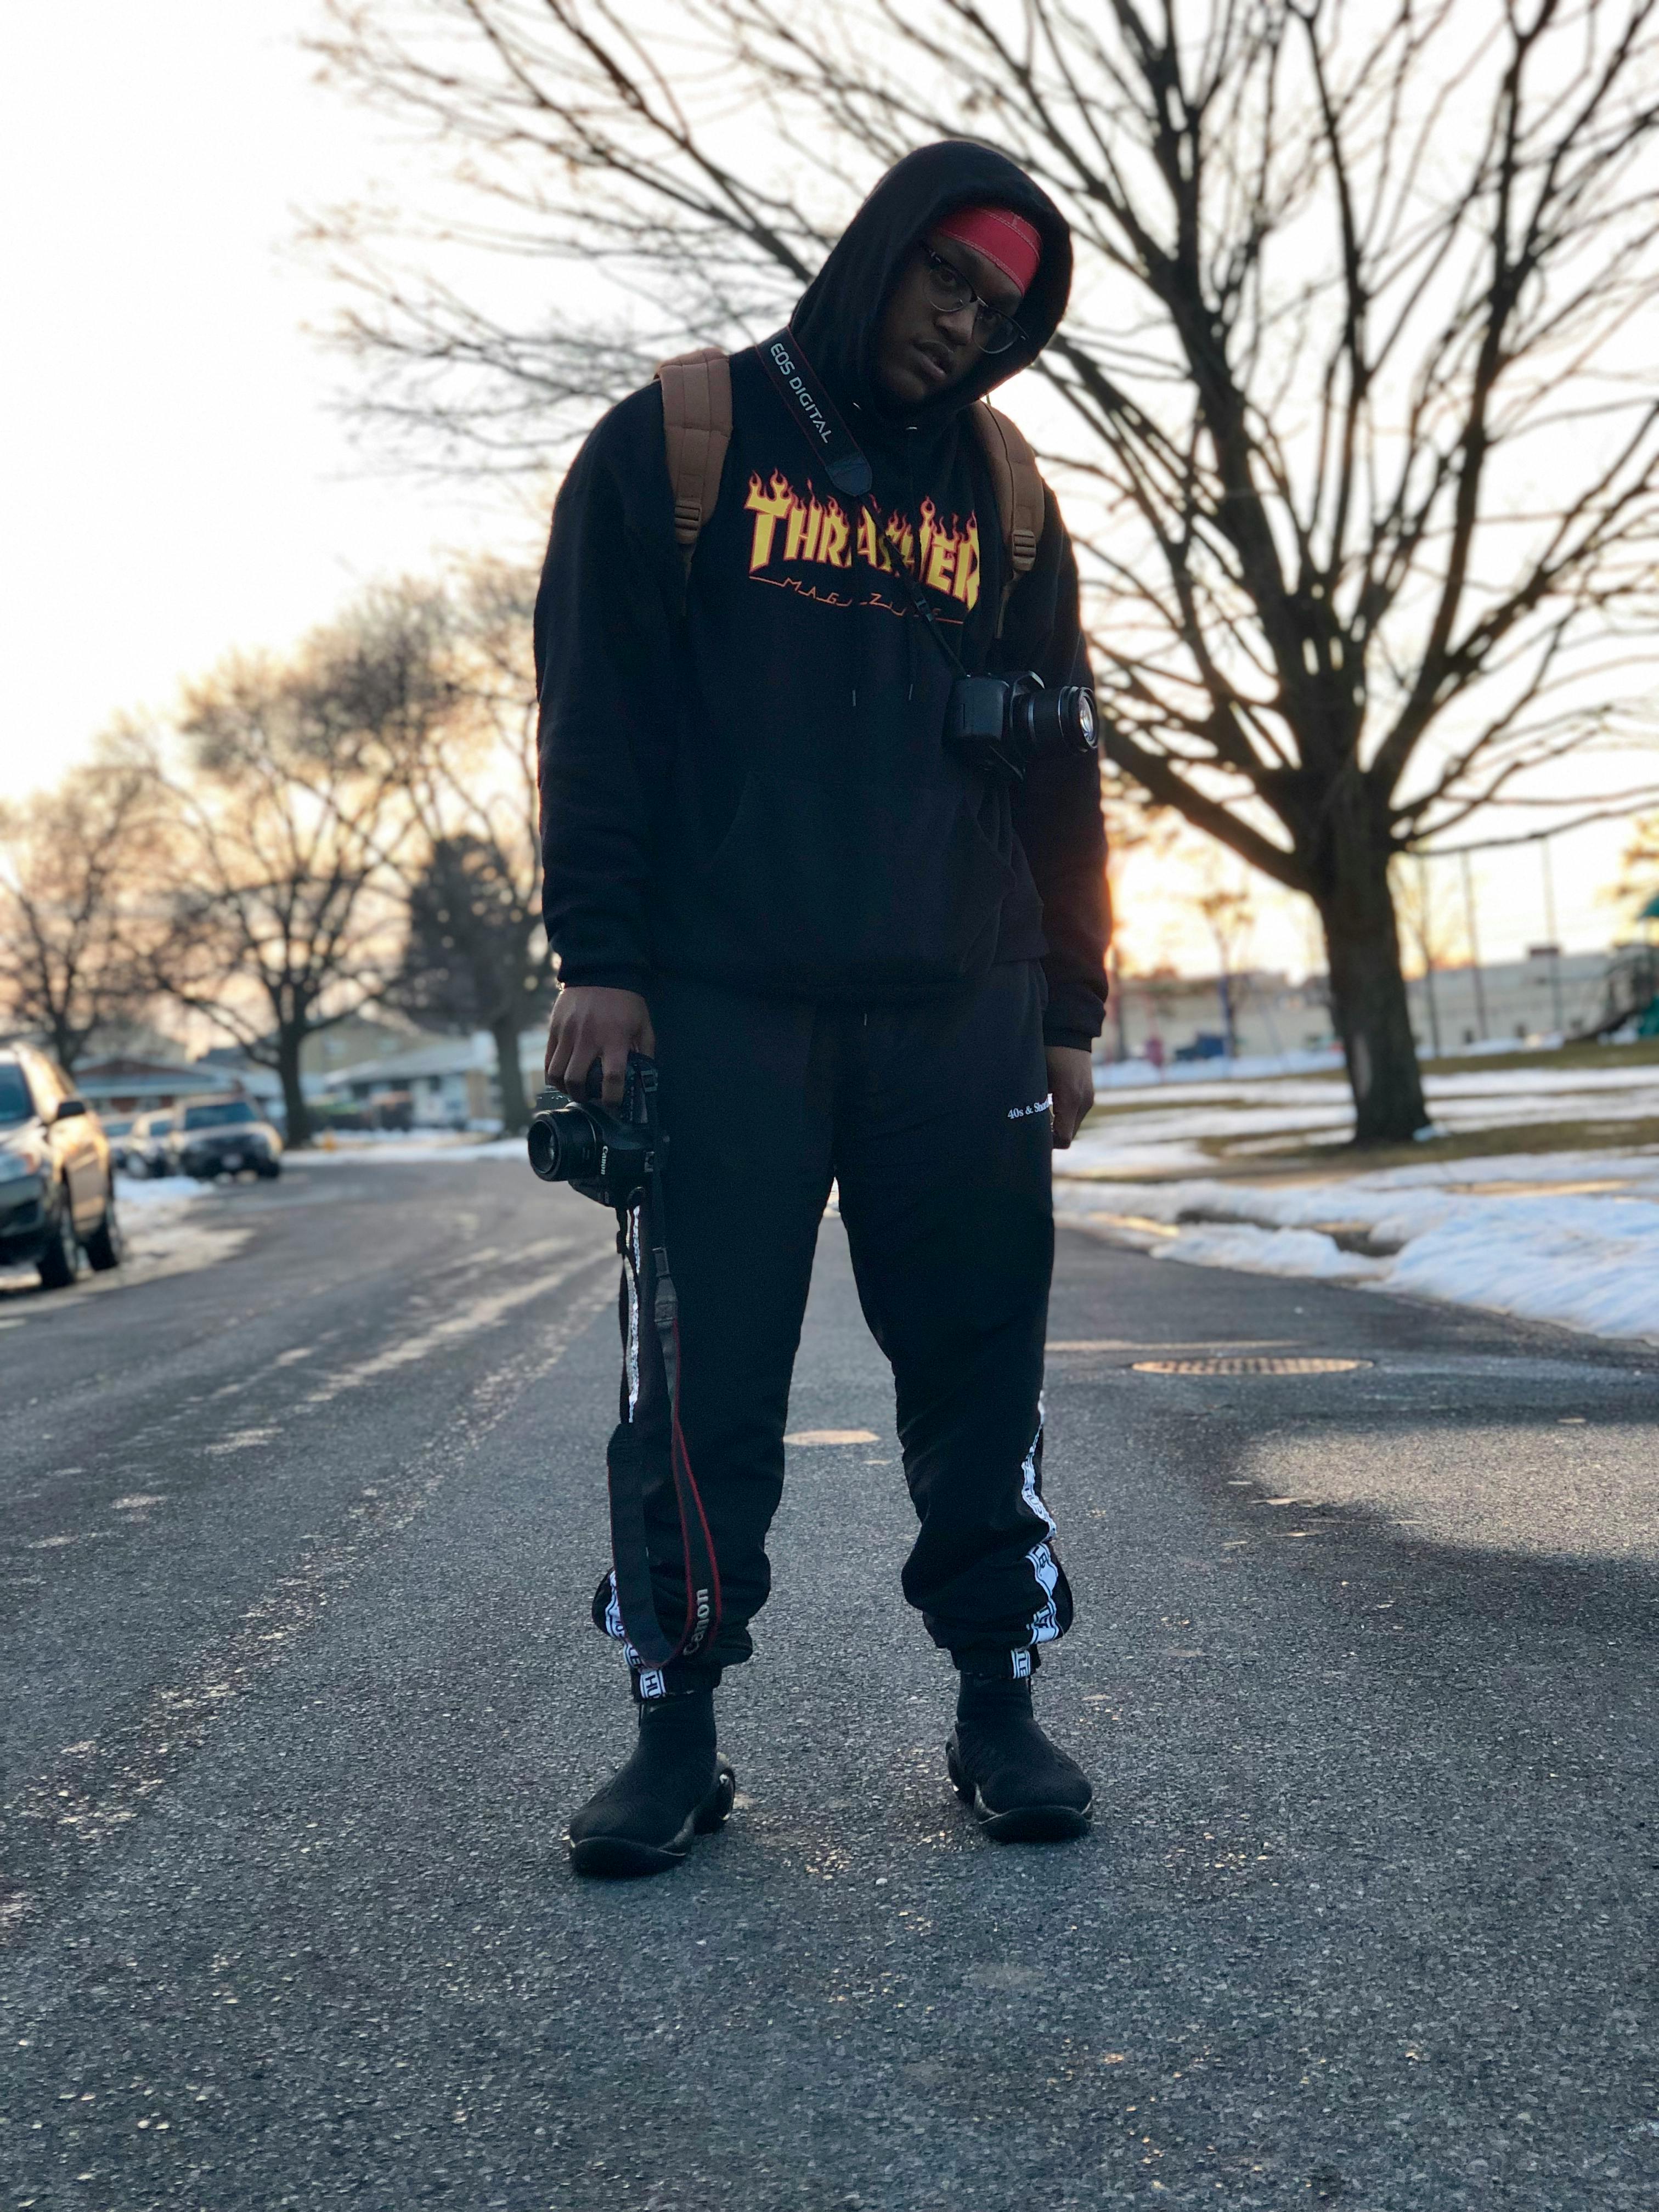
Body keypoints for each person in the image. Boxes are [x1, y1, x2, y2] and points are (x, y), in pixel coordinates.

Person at [535, 140, 1109, 1878]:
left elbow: (1063, 762)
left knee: (978, 1367)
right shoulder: (684, 440)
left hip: (962, 1007)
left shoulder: (1008, 495)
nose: (966, 325)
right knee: (702, 1393)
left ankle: (998, 1707)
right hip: (724, 1005)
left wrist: (1071, 1002)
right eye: (950, 278)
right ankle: (677, 1733)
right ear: (884, 249)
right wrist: (602, 961)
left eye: (1002, 311)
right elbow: (598, 714)